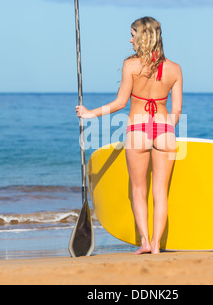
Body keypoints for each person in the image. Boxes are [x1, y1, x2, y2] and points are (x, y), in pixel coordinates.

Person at [76, 16, 183, 254]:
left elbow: (120, 103)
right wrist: (166, 127)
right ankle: (156, 244)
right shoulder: (175, 69)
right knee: (160, 192)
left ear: (143, 37)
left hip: (138, 129)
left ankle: (145, 242)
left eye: (133, 34)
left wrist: (90, 113)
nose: (130, 39)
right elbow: (176, 111)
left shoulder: (131, 66)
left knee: (138, 189)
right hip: (165, 129)